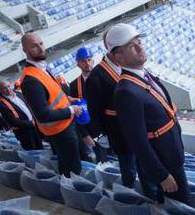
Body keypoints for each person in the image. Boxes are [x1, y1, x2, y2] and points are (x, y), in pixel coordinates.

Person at [113, 23, 188, 203]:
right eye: (132, 46)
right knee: (180, 206)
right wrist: (161, 175)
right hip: (164, 164)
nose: (140, 47)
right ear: (119, 57)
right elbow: (138, 142)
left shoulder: (144, 73)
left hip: (172, 155)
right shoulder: (126, 92)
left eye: (139, 41)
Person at [20, 32, 82, 177]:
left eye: (41, 43)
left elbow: (52, 95)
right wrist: (71, 110)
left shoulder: (41, 68)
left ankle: (66, 185)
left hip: (63, 127)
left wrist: (67, 99)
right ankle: (73, 194)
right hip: (60, 131)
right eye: (34, 46)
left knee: (65, 163)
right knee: (74, 170)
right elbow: (43, 115)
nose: (41, 48)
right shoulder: (30, 80)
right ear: (25, 50)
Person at [85, 28, 140, 189]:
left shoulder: (130, 66)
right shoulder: (96, 77)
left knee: (145, 167)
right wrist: (102, 134)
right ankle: (130, 197)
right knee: (129, 169)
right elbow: (95, 111)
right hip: (120, 132)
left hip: (139, 128)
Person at [0, 80, 43, 150]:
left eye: (9, 86)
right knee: (32, 152)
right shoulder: (2, 105)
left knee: (41, 147)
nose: (8, 89)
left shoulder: (19, 94)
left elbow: (28, 107)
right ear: (1, 90)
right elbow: (12, 121)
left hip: (34, 126)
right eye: (5, 88)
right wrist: (30, 123)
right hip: (24, 132)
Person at [69, 47, 96, 161]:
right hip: (92, 132)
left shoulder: (104, 77)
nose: (87, 63)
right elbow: (76, 114)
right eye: (83, 61)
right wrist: (85, 135)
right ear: (78, 64)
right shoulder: (74, 86)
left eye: (89, 59)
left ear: (93, 61)